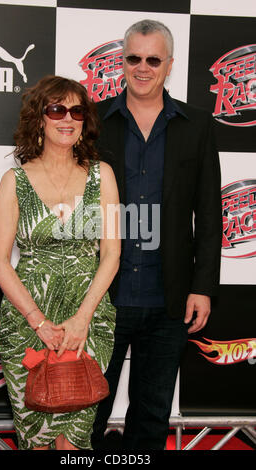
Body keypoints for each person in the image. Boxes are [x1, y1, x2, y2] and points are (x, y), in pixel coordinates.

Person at [91, 19, 222, 450]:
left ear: (168, 65)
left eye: (153, 59)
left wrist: (202, 286)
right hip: (100, 297)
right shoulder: (91, 121)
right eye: (133, 58)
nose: (142, 67)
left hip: (169, 299)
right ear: (122, 62)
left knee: (151, 418)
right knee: (86, 415)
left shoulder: (198, 124)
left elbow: (208, 212)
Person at [0, 75, 120, 450]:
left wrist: (81, 320)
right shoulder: (14, 181)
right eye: (57, 108)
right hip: (28, 321)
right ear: (40, 119)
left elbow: (111, 255)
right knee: (36, 440)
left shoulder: (103, 176)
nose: (68, 118)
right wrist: (39, 322)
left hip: (88, 317)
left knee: (75, 441)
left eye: (77, 110)